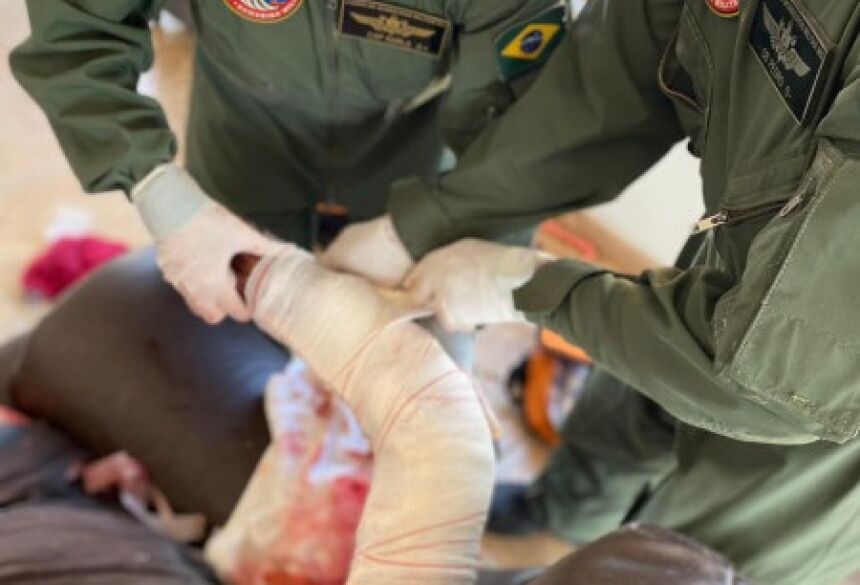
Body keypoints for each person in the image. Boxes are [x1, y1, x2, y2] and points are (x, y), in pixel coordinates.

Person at [328, 1, 860, 584]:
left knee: (686, 562)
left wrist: (533, 287)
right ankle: (559, 526)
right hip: (768, 229)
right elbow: (622, 73)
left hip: (828, 397)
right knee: (635, 392)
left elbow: (785, 385)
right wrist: (428, 221)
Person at [10, 0, 565, 324]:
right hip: (242, 125)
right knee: (230, 318)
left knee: (400, 324)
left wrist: (475, 247)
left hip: (407, 137)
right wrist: (156, 187)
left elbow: (524, 117)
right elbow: (76, 35)